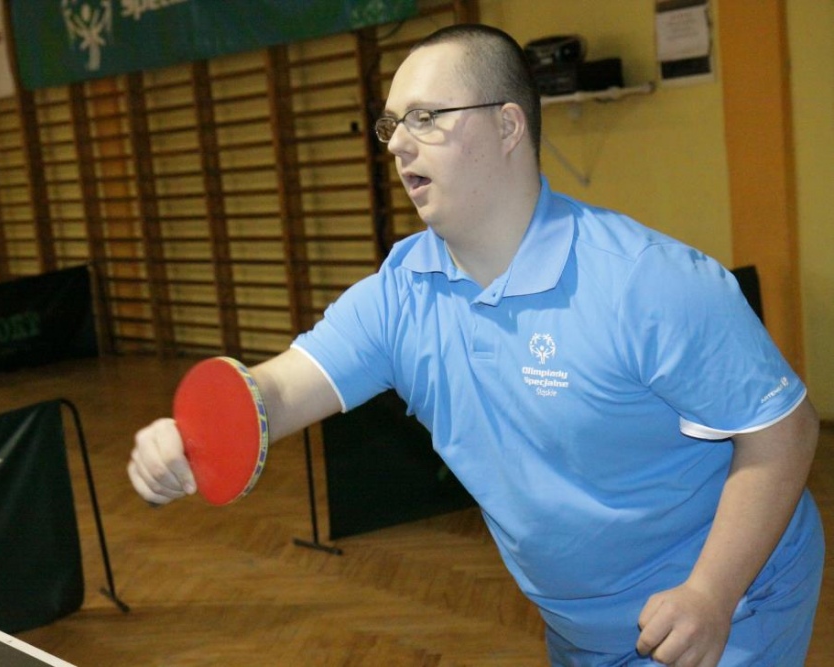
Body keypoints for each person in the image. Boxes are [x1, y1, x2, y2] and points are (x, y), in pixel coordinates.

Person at [128, 24, 824, 666]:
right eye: (392, 123)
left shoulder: (647, 282)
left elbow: (784, 432)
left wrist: (710, 591)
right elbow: (277, 391)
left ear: (508, 126)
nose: (397, 144)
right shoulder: (399, 296)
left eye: (426, 117)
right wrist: (184, 438)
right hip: (580, 626)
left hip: (733, 601)